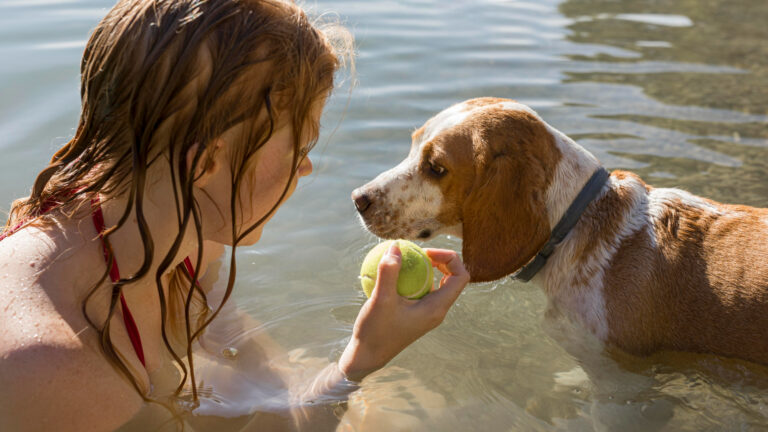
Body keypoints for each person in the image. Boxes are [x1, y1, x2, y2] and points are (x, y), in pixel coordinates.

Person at [0, 0, 470, 431]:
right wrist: (362, 361)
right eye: (300, 147)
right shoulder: (57, 372)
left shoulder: (181, 231)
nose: (306, 168)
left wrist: (325, 378)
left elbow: (236, 345)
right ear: (204, 164)